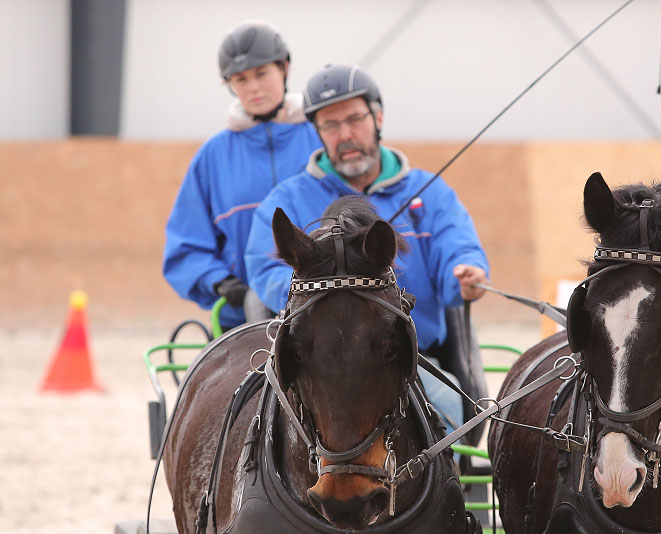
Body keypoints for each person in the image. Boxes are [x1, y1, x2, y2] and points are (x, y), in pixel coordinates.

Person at [245, 63, 489, 426]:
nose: (345, 133)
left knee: (452, 409)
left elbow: (459, 247)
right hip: (318, 365)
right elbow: (266, 270)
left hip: (411, 360)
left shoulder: (432, 193)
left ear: (378, 117)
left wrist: (467, 273)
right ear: (318, 132)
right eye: (330, 124)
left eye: (355, 119)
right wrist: (324, 293)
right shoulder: (289, 200)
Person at [162, 21, 321, 331]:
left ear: (284, 68)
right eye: (240, 79)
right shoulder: (213, 156)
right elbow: (186, 245)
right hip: (242, 323)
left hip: (323, 314)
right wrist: (219, 281)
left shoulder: (321, 138)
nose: (253, 87)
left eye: (262, 74)